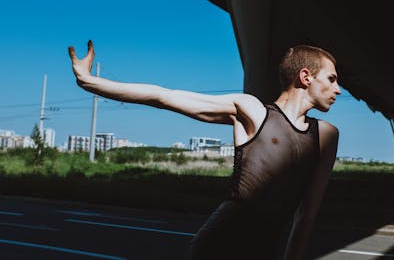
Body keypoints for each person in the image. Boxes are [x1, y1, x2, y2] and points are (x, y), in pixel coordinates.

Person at [68, 41, 341, 260]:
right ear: (306, 76)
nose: (338, 89)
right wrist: (89, 82)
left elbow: (307, 215)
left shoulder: (326, 136)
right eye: (331, 79)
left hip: (264, 250)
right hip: (219, 242)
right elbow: (165, 97)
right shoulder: (252, 110)